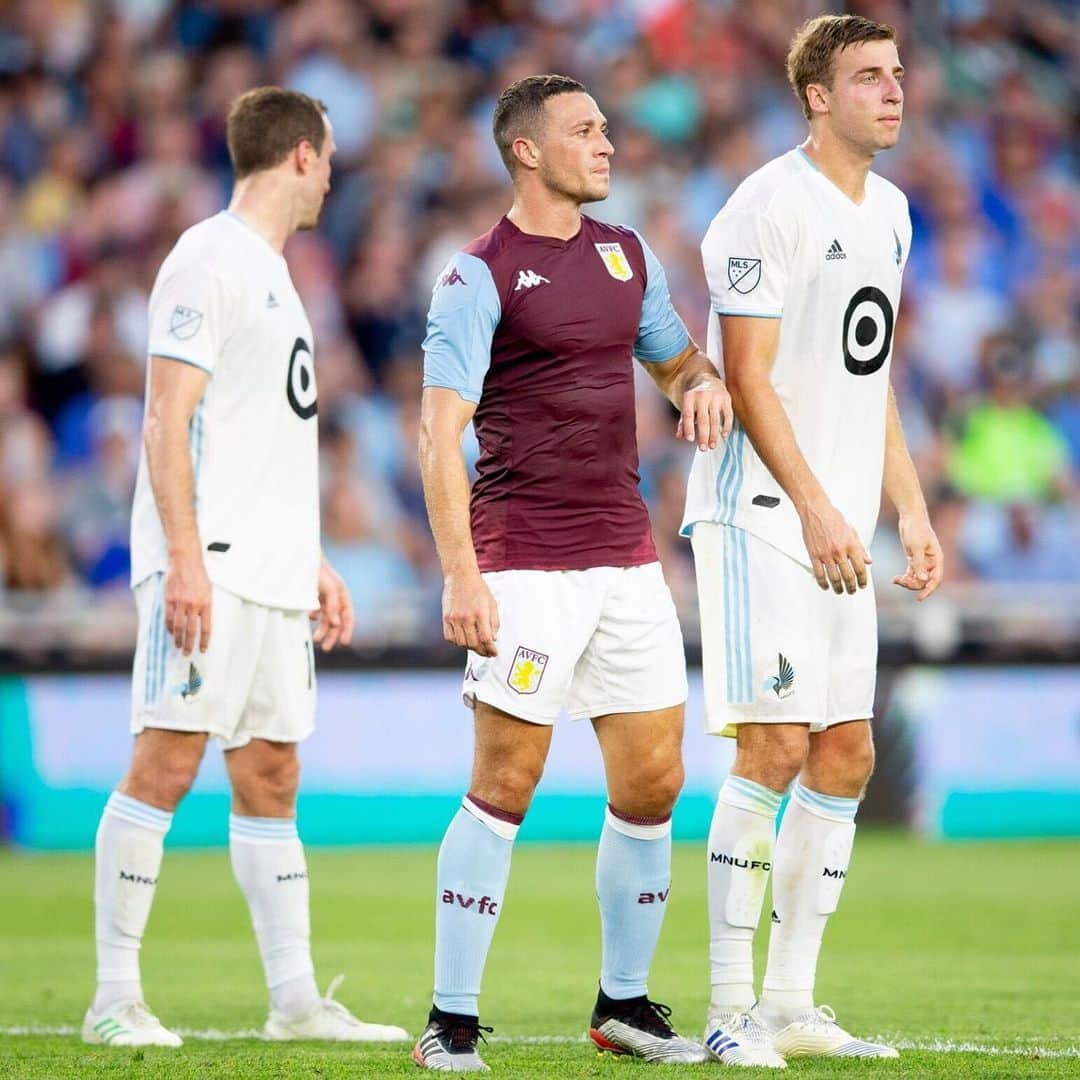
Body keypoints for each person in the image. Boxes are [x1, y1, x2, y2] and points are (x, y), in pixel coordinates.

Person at [413, 74, 733, 1071]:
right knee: (505, 781)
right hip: (524, 561)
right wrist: (463, 575)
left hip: (627, 556)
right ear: (525, 150)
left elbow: (676, 362)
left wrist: (704, 385)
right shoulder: (479, 275)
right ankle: (450, 1022)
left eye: (605, 126)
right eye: (583, 130)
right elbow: (436, 435)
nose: (606, 142)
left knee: (655, 781)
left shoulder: (625, 254)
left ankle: (624, 1008)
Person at [82, 86, 408, 1048]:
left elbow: (265, 439)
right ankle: (112, 999)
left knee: (270, 773)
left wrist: (312, 560)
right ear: (301, 155)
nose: (334, 172)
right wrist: (183, 558)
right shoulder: (208, 259)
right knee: (167, 759)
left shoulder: (275, 273)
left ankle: (296, 1003)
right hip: (210, 565)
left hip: (270, 571)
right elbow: (164, 417)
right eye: (331, 154)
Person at [681, 15, 943, 1067]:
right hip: (760, 518)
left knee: (848, 750)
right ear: (816, 97)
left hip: (842, 524)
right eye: (868, 76)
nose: (893, 90)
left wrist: (910, 506)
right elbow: (746, 378)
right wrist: (821, 510)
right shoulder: (763, 208)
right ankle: (724, 1008)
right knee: (775, 745)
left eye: (898, 73)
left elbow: (865, 376)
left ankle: (792, 1002)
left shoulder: (892, 213)